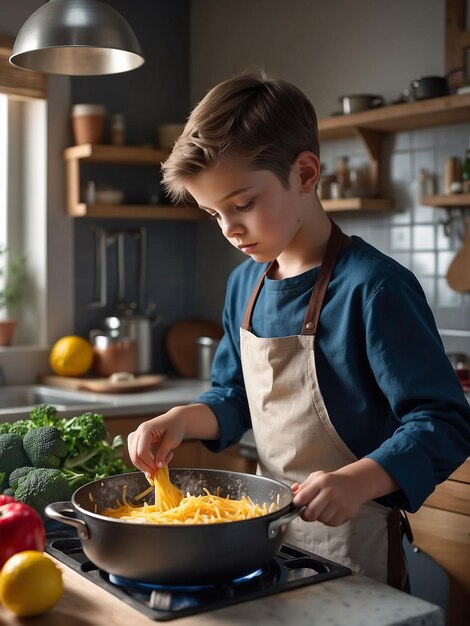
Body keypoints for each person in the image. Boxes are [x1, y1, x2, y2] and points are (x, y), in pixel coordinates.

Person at [128, 73, 470, 588]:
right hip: (265, 542)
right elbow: (233, 395)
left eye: (242, 204)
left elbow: (444, 422)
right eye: (213, 213)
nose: (229, 229)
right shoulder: (245, 284)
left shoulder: (375, 288)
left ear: (305, 173)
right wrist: (183, 419)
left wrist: (359, 480)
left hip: (358, 549)